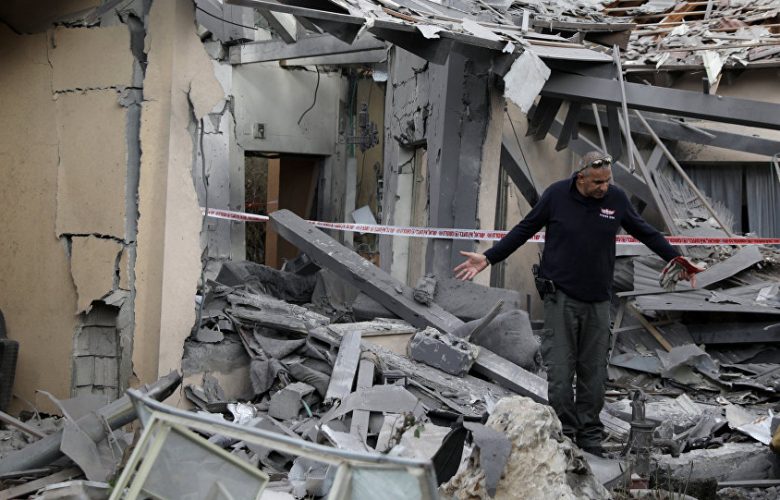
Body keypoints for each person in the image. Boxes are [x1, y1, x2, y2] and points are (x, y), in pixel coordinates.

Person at [454, 151, 698, 456]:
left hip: (598, 302)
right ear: (580, 177)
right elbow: (523, 230)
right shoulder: (556, 196)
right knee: (559, 376)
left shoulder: (616, 200)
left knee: (593, 377)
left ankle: (590, 438)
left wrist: (677, 259)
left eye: (607, 181)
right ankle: (565, 435)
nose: (603, 187)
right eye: (597, 182)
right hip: (561, 300)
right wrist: (489, 257)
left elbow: (647, 233)